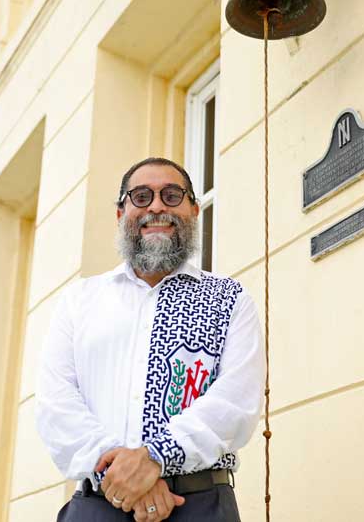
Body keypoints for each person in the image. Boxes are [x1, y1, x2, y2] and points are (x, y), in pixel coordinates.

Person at [35, 157, 265, 522]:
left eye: (172, 195)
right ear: (120, 213)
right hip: (97, 506)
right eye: (141, 196)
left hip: (200, 506)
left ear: (194, 209)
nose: (156, 206)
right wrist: (121, 474)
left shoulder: (229, 298)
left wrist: (156, 457)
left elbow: (237, 400)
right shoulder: (80, 301)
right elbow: (56, 401)